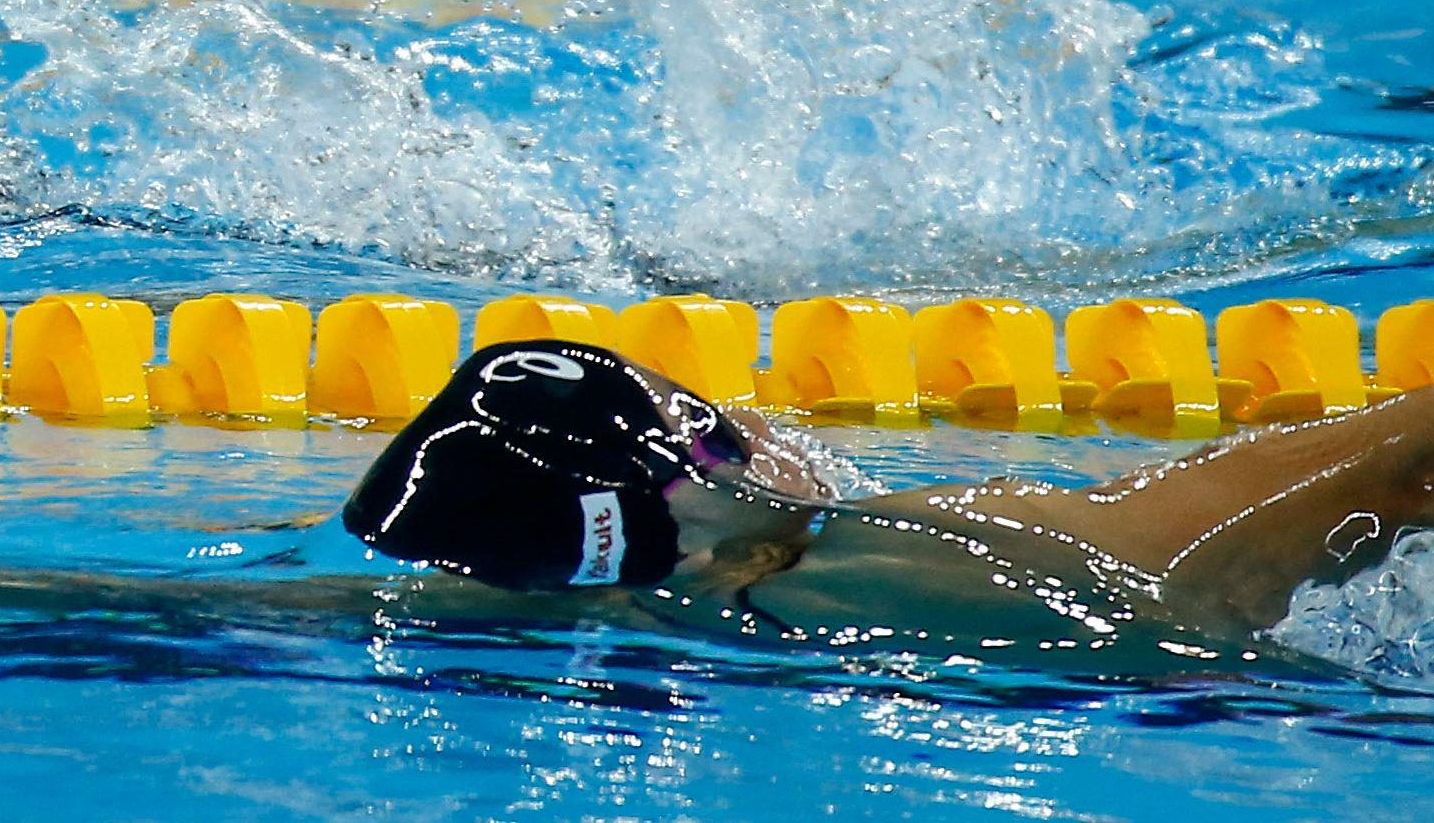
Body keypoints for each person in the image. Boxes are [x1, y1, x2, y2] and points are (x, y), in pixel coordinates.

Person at [344, 339, 1434, 660]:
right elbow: (1395, 460)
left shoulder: (582, 604)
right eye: (720, 431)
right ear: (726, 545)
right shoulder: (997, 540)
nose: (758, 421)